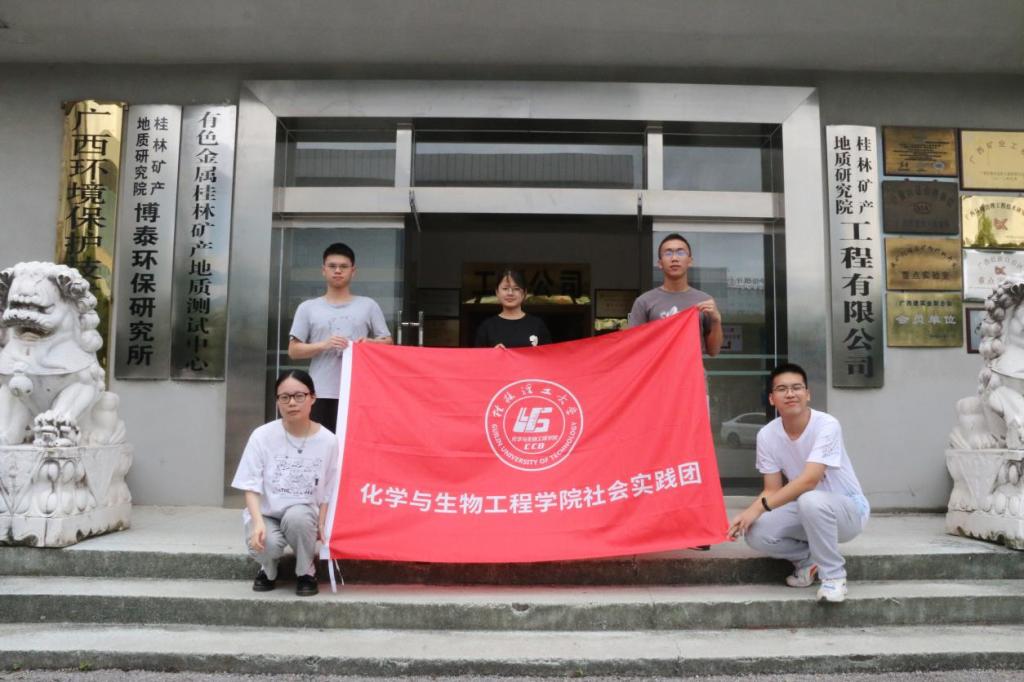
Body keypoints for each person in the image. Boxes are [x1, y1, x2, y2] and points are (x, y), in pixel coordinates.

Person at [728, 363, 870, 604]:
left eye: (796, 387)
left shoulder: (827, 425)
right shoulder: (767, 435)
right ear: (772, 399)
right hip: (807, 508)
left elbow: (809, 480)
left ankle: (834, 577)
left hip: (848, 510)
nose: (790, 394)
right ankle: (808, 560)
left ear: (808, 394)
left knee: (809, 499)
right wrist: (748, 515)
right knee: (756, 532)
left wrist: (758, 508)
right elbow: (771, 489)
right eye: (782, 389)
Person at [231, 370, 338, 597]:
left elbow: (329, 487)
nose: (292, 403)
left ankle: (305, 571)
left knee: (298, 518)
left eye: (299, 396)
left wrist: (322, 522)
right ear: (277, 401)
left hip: (302, 513)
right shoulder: (262, 436)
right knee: (266, 542)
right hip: (267, 513)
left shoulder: (328, 441)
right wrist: (257, 522)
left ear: (312, 398)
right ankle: (268, 568)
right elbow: (250, 485)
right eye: (285, 397)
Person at [288, 242, 392, 433]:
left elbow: (388, 343)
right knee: (321, 443)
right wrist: (323, 345)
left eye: (343, 266)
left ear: (353, 271)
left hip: (359, 390)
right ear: (323, 270)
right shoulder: (308, 307)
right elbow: (293, 351)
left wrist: (370, 343)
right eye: (332, 266)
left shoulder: (368, 305)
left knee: (357, 443)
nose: (337, 271)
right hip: (320, 391)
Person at [627, 233, 723, 356]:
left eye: (680, 252)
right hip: (659, 368)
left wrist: (716, 321)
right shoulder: (644, 301)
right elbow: (634, 347)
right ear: (660, 263)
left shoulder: (704, 301)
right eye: (668, 253)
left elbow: (713, 351)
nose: (674, 258)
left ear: (690, 261)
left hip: (692, 368)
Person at [474, 268, 552, 349]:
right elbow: (478, 356)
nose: (510, 293)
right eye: (505, 288)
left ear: (524, 293)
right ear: (497, 292)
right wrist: (493, 353)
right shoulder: (487, 327)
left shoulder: (537, 325)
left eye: (516, 289)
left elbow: (548, 354)